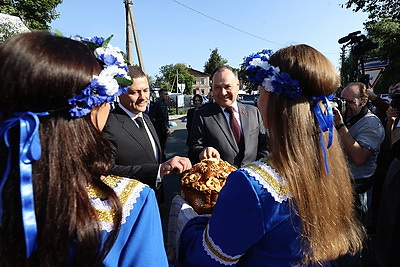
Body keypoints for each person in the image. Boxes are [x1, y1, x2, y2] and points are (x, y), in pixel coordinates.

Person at [178, 45, 364, 266]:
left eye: (260, 91)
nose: (257, 99)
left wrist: (189, 220)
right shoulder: (329, 163)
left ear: (274, 101)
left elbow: (206, 259)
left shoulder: (253, 185)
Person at [0, 31, 168, 266]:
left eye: (146, 90)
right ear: (93, 108)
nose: (142, 97)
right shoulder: (131, 204)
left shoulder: (8, 192)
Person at [102, 66, 191, 195]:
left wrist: (171, 165)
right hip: (131, 204)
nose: (143, 97)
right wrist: (158, 171)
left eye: (146, 90)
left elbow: (154, 157)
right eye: (135, 92)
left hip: (155, 198)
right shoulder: (109, 124)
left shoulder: (146, 119)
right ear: (119, 93)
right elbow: (107, 170)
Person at [187, 65, 269, 167]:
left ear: (238, 85)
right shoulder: (202, 115)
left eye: (227, 87)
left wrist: (258, 170)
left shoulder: (253, 112)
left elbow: (265, 146)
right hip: (221, 180)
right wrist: (202, 151)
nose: (223, 92)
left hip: (252, 178)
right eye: (217, 87)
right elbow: (193, 148)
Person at [153, 88, 171, 161]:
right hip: (160, 130)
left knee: (162, 146)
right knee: (161, 146)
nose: (167, 96)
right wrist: (166, 129)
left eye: (167, 94)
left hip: (161, 128)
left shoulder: (163, 103)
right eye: (165, 94)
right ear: (160, 95)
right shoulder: (159, 104)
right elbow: (162, 118)